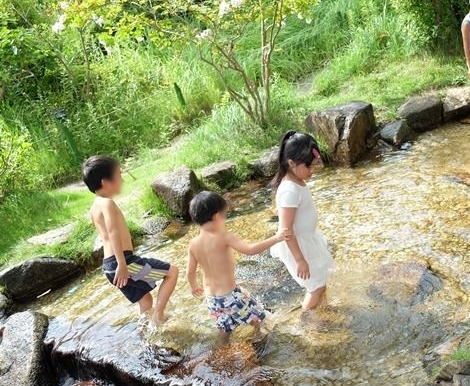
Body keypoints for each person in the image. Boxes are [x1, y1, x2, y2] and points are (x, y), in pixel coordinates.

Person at [83, 155, 178, 325]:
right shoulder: (107, 204)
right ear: (105, 182)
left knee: (145, 299)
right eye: (119, 175)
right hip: (123, 262)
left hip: (110, 266)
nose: (122, 179)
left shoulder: (95, 206)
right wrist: (122, 264)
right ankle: (158, 316)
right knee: (172, 272)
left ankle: (146, 331)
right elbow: (113, 233)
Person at [186, 191, 288, 343]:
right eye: (224, 215)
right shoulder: (224, 236)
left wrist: (194, 287)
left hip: (212, 300)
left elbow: (189, 272)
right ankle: (261, 343)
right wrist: (276, 238)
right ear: (216, 216)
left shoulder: (193, 244)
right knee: (260, 318)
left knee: (225, 329)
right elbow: (251, 250)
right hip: (231, 296)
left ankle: (219, 354)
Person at [270, 131, 334, 311]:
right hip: (297, 247)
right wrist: (300, 260)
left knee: (320, 281)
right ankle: (306, 322)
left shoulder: (295, 181)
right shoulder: (289, 191)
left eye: (314, 166)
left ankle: (322, 311)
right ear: (291, 163)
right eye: (309, 167)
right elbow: (286, 230)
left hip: (307, 240)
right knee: (315, 287)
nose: (312, 171)